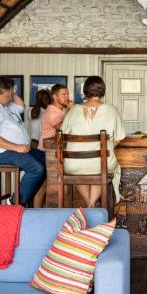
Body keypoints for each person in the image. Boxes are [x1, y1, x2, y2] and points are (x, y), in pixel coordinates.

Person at [0, 76, 46, 207]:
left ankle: (23, 199)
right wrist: (17, 147)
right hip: (2, 153)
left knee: (47, 162)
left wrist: (11, 92)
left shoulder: (4, 105)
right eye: (9, 94)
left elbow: (21, 106)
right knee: (36, 168)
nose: (12, 96)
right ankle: (15, 203)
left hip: (17, 149)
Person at [59, 76, 126, 208]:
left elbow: (61, 136)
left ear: (85, 92)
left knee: (81, 168)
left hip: (73, 164)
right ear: (103, 91)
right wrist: (103, 148)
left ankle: (90, 205)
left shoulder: (72, 111)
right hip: (101, 164)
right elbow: (119, 137)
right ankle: (91, 204)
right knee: (99, 165)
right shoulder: (111, 110)